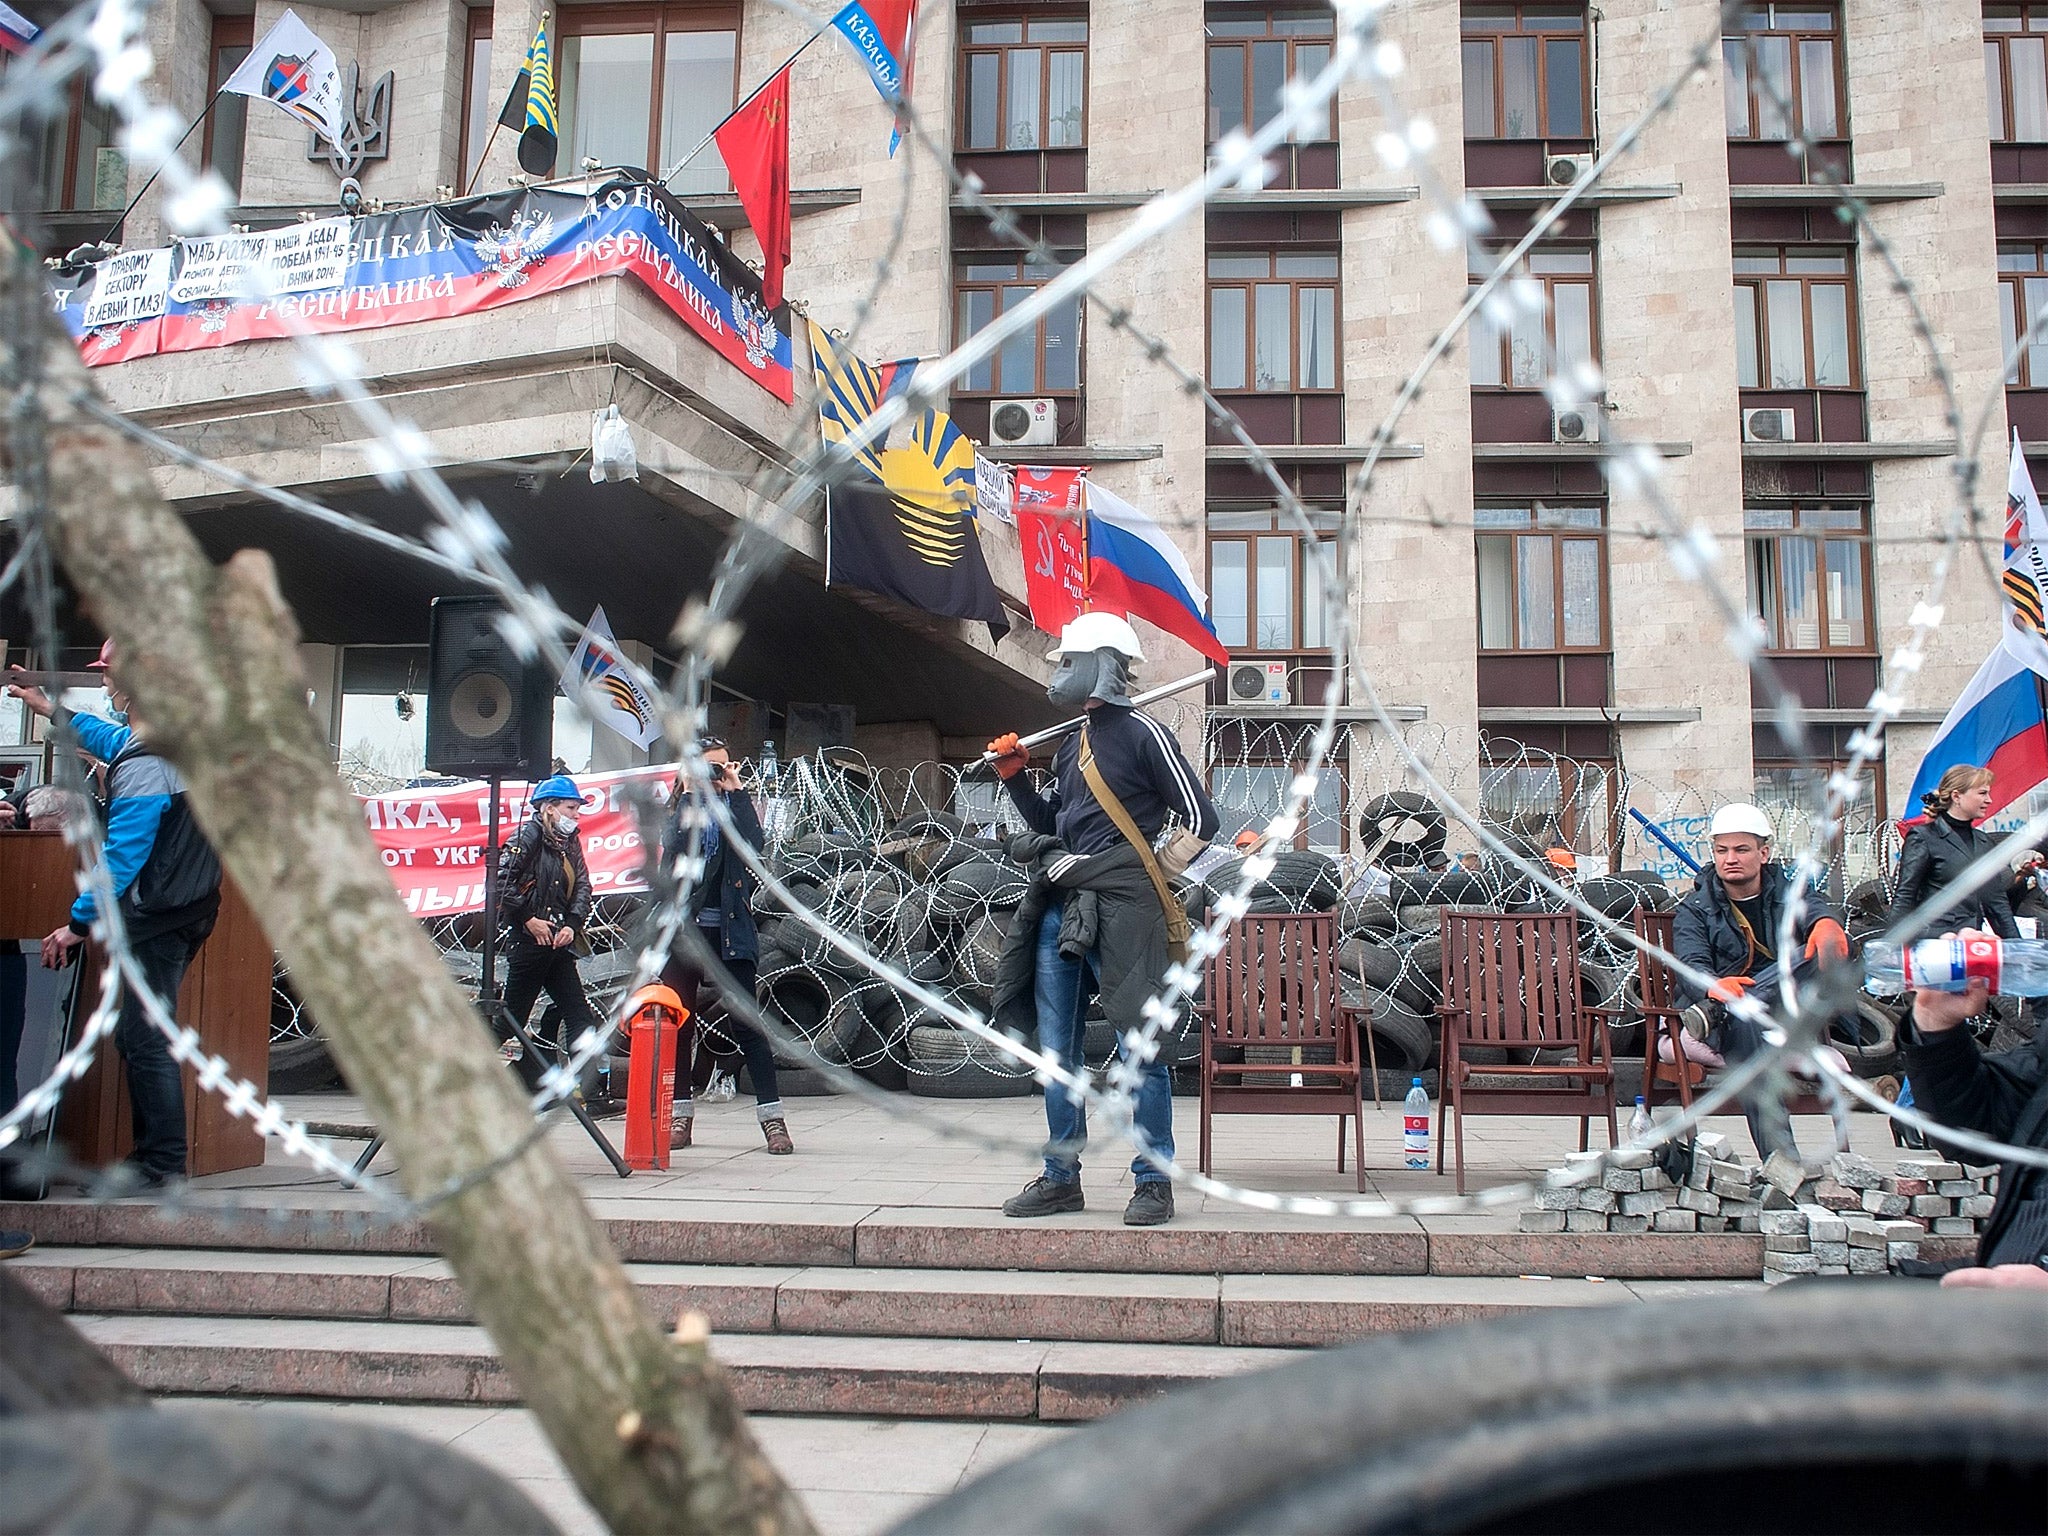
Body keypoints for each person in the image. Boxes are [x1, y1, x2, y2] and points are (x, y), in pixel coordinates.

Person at [986, 612, 1219, 1227]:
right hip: (1063, 904)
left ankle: (1153, 1179)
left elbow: (1201, 819)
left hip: (1126, 908)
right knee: (1056, 1051)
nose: (1056, 670)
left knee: (1138, 1046)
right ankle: (1061, 1175)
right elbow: (1052, 827)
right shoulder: (1071, 744)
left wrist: (1151, 871)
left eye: (1068, 660)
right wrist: (1015, 781)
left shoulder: (1145, 735)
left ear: (1102, 665)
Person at [5, 641, 222, 1188]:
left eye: (109, 677)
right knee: (140, 1035)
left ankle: (162, 1164)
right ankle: (156, 1158)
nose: (104, 686)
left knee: (145, 1038)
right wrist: (52, 712)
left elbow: (122, 860)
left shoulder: (148, 762)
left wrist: (77, 926)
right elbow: (113, 739)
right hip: (182, 909)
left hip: (158, 916)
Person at [1671, 802, 1852, 1160]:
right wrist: (1713, 988)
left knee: (1814, 951)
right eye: (1722, 850)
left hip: (1781, 1009)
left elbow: (1813, 908)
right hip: (1732, 1014)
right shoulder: (1696, 907)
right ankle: (1784, 1161)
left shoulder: (1790, 893)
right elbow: (1691, 964)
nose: (1730, 858)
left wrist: (1825, 923)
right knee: (1746, 1018)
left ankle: (1724, 1008)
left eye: (1741, 849)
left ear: (1764, 852)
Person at [658, 739, 792, 1156]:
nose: (715, 775)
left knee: (748, 1026)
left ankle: (773, 1122)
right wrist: (686, 788)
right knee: (679, 1024)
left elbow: (755, 846)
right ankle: (680, 1116)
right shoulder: (683, 810)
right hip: (684, 936)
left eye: (720, 766)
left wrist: (736, 790)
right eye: (708, 768)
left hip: (732, 935)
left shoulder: (734, 807)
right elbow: (673, 842)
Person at [1903, 928, 2048, 1292]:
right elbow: (1974, 1130)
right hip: (2004, 1280)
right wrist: (1938, 1027)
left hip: (2024, 1308)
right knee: (1797, 1307)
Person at [495, 775, 601, 1093]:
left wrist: (571, 923)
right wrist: (528, 919)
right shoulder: (528, 836)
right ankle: (457, 1079)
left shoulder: (569, 843)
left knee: (579, 1014)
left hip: (556, 943)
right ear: (549, 808)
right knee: (509, 1021)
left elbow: (583, 886)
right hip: (530, 944)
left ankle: (589, 1092)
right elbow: (501, 882)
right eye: (570, 808)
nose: (576, 815)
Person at [1890, 766, 2020, 939]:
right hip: (1934, 942)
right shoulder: (1924, 837)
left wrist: (2019, 948)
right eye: (1982, 793)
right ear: (1957, 796)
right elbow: (1905, 895)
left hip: (1972, 943)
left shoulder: (1984, 842)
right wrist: (1892, 946)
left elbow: (1996, 903)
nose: (1989, 800)